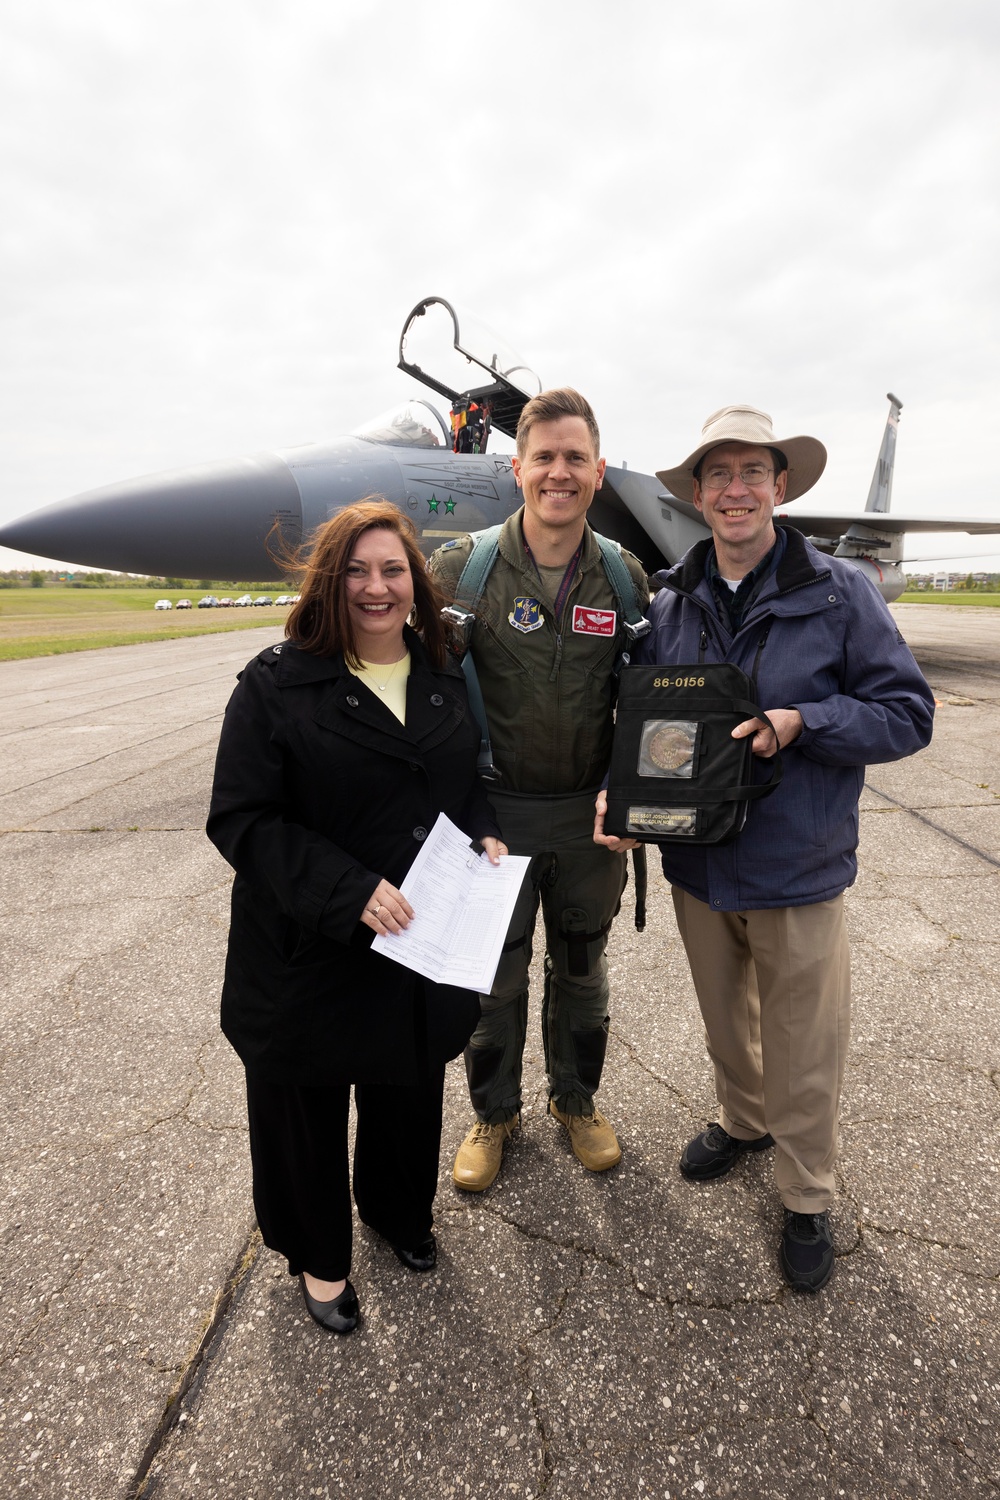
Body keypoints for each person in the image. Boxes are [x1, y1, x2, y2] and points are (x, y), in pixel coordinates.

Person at [595, 404, 934, 1292]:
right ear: (700, 494)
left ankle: (806, 1192)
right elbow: (647, 721)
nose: (735, 489)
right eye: (718, 474)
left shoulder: (840, 593)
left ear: (780, 489)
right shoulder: (673, 600)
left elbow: (907, 714)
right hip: (700, 863)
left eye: (753, 473)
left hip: (797, 863)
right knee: (725, 1023)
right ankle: (744, 1123)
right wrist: (625, 796)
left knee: (803, 1039)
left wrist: (804, 722)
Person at [207, 501, 505, 1334]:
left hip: (417, 939)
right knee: (304, 1111)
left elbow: (459, 779)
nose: (377, 588)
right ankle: (321, 1261)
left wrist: (483, 828)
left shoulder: (442, 672)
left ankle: (398, 1214)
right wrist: (347, 891)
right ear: (328, 582)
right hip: (310, 945)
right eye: (357, 571)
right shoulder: (276, 683)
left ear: (416, 582)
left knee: (406, 1092)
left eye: (393, 570)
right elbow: (243, 819)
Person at [429, 388, 649, 1191]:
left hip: (590, 820)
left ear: (596, 471)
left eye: (576, 458)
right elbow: (428, 699)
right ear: (517, 467)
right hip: (497, 816)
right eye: (545, 458)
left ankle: (576, 1099)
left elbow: (648, 701)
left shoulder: (625, 579)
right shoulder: (463, 570)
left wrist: (628, 795)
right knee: (493, 978)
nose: (560, 472)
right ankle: (493, 1112)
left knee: (583, 971)